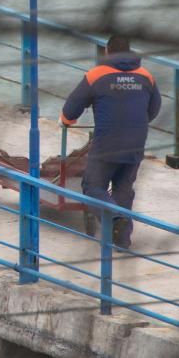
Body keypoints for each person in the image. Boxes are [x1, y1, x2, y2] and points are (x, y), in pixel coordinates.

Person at [60, 35, 161, 248]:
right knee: (123, 189)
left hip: (107, 144)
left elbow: (71, 109)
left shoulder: (97, 75)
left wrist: (67, 121)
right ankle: (122, 240)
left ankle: (115, 217)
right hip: (136, 141)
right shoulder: (146, 76)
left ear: (107, 51)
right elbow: (153, 109)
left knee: (92, 186)